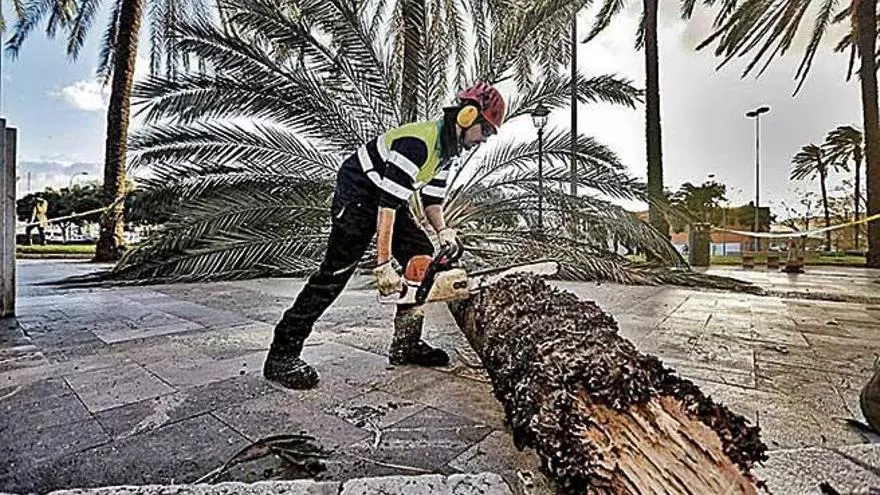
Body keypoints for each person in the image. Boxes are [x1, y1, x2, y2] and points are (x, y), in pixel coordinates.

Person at [263, 82, 507, 390]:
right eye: (486, 132)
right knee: (334, 274)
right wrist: (383, 264)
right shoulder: (418, 143)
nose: (484, 141)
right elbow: (387, 208)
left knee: (420, 257)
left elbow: (432, 202)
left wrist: (443, 230)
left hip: (385, 197)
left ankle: (405, 345)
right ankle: (281, 355)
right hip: (357, 194)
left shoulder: (447, 152)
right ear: (468, 116)